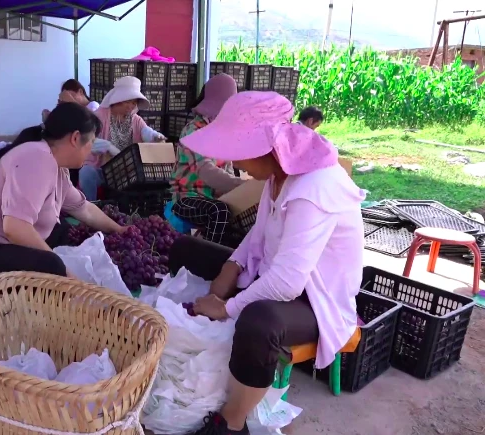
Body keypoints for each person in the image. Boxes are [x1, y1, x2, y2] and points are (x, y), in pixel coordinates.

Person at [168, 91, 365, 435]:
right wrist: (231, 267)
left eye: (240, 156)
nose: (239, 166)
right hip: (277, 277)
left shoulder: (315, 187)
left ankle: (232, 421)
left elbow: (288, 282)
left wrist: (227, 308)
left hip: (313, 301)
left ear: (265, 148)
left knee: (258, 321)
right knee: (186, 248)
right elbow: (257, 237)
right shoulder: (279, 176)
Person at [0, 102, 127, 287]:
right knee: (51, 264)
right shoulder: (35, 158)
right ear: (75, 138)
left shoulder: (57, 167)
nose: (90, 150)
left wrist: (118, 230)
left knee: (65, 232)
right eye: (91, 143)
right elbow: (15, 228)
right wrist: (66, 274)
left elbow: (84, 209)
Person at [169, 74, 245, 245]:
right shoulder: (193, 131)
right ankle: (207, 255)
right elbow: (205, 170)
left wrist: (236, 192)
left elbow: (227, 167)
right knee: (219, 212)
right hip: (186, 198)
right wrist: (240, 185)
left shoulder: (224, 133)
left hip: (213, 199)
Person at [79, 76, 166, 201]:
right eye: (128, 101)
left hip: (129, 172)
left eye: (134, 103)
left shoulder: (136, 120)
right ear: (118, 99)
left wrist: (155, 136)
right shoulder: (98, 117)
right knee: (86, 173)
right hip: (104, 171)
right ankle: (91, 207)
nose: (131, 106)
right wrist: (108, 146)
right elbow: (89, 141)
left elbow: (146, 131)